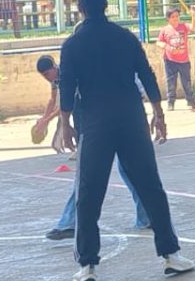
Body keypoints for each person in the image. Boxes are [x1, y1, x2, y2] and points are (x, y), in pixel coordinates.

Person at [58, 0, 194, 281]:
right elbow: (146, 74)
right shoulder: (124, 37)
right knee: (151, 188)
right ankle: (171, 255)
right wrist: (158, 113)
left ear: (79, 7)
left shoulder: (73, 45)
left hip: (95, 123)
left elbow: (66, 86)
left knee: (88, 194)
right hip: (131, 119)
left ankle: (87, 265)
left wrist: (65, 124)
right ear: (106, 5)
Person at [36, 54, 150, 240]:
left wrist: (63, 126)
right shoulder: (70, 76)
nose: (47, 78)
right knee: (127, 171)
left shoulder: (78, 71)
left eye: (47, 73)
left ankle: (69, 223)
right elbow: (61, 101)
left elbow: (69, 103)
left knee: (87, 176)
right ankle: (147, 216)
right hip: (106, 125)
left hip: (100, 128)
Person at [156, 6, 195, 111]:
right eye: (173, 17)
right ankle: (171, 103)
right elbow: (158, 42)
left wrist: (193, 15)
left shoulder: (183, 26)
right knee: (171, 83)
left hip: (184, 60)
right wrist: (166, 46)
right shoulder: (164, 30)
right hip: (170, 61)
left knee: (187, 82)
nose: (175, 18)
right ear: (168, 18)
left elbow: (194, 27)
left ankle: (191, 101)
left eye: (177, 16)